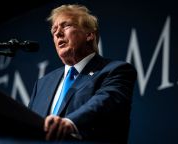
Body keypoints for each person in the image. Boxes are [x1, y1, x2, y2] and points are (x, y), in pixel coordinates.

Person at [28, 4, 137, 143]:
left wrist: (70, 122)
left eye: (65, 26)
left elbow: (104, 102)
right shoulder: (42, 84)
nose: (57, 33)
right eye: (54, 30)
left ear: (89, 35)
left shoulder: (115, 70)